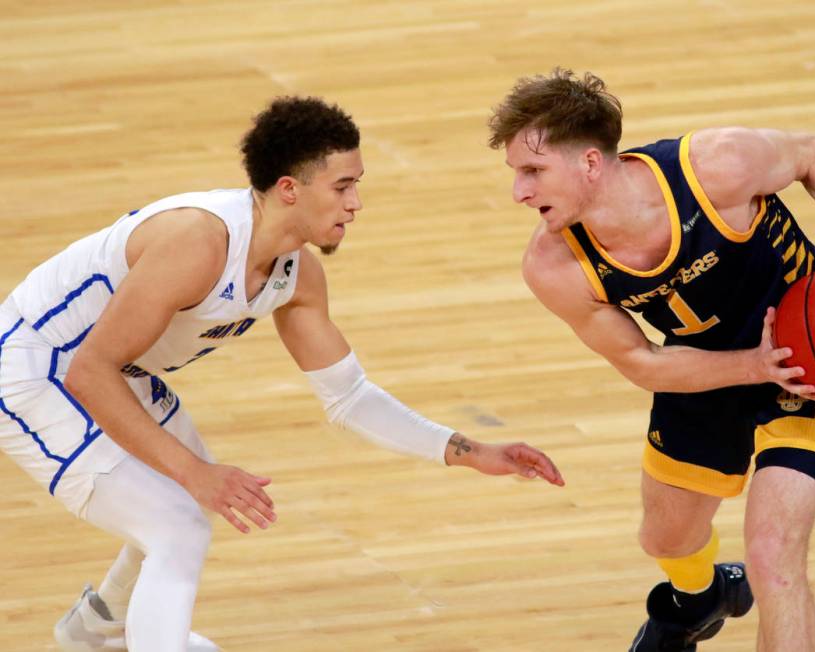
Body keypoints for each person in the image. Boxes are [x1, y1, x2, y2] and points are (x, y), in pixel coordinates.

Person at [0, 96, 565, 652]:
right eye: (343, 186)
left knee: (186, 507)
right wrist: (196, 471)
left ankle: (100, 629)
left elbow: (349, 399)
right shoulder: (198, 242)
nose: (356, 203)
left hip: (111, 365)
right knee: (179, 523)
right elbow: (88, 372)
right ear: (290, 189)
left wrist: (470, 451)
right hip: (36, 366)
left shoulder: (297, 275)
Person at [487, 69, 815, 651]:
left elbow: (813, 154)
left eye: (532, 172)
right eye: (517, 174)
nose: (519, 193)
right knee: (665, 538)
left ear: (589, 163)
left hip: (809, 361)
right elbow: (641, 362)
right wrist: (753, 366)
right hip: (704, 372)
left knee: (773, 555)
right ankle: (700, 598)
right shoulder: (555, 266)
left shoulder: (716, 167)